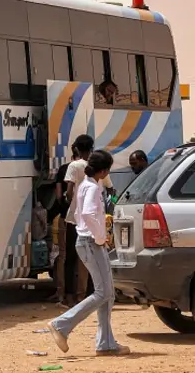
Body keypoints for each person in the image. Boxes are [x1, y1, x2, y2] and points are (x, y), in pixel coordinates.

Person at [47, 150, 130, 356]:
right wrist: (101, 236)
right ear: (103, 170)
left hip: (86, 241)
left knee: (107, 293)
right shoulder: (92, 188)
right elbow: (87, 214)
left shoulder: (86, 185)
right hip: (92, 242)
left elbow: (78, 213)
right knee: (103, 292)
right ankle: (62, 324)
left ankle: (106, 342)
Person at [63, 135, 114, 306]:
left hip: (74, 221)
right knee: (97, 271)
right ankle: (85, 295)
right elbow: (111, 190)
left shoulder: (75, 167)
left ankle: (70, 295)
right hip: (92, 231)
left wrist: (71, 203)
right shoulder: (96, 179)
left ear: (76, 149)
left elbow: (69, 192)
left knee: (71, 259)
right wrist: (101, 234)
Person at [47, 145, 79, 306]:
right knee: (82, 255)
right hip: (84, 218)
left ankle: (61, 292)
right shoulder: (90, 168)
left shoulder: (64, 169)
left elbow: (60, 195)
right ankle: (82, 294)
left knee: (63, 254)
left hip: (66, 217)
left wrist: (64, 207)